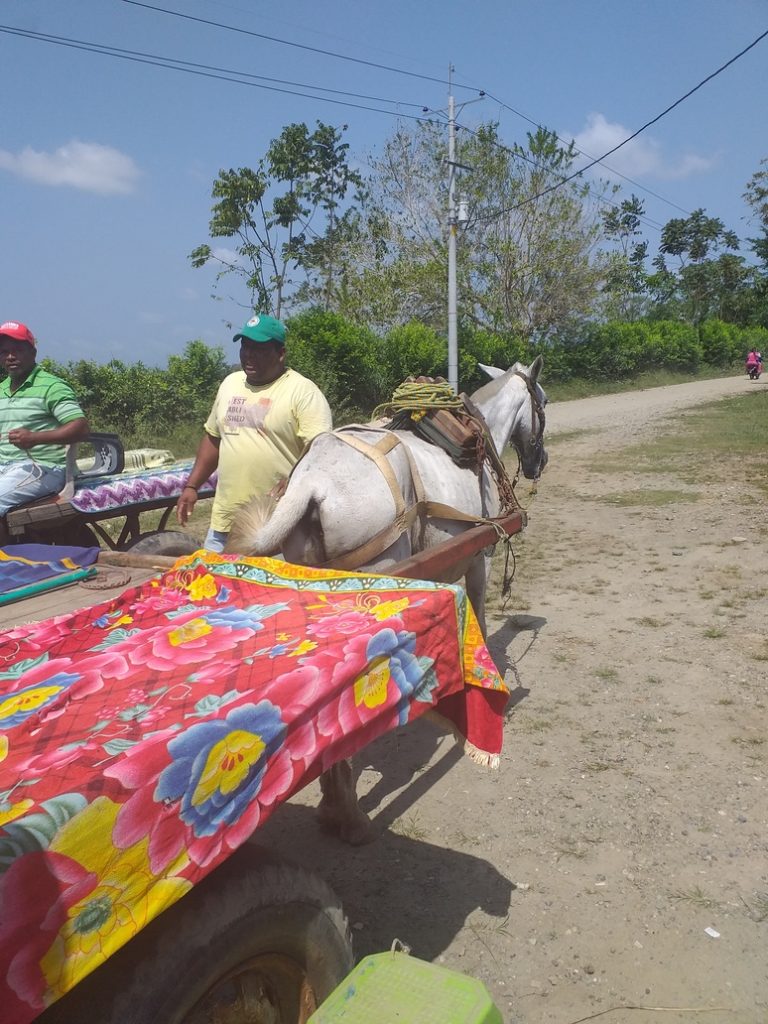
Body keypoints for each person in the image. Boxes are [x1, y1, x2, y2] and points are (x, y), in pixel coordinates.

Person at [177, 314, 332, 552]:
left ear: (280, 354)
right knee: (213, 586)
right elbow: (213, 438)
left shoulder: (303, 393)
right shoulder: (230, 384)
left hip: (277, 526)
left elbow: (323, 453)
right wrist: (192, 486)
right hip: (224, 525)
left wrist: (294, 480)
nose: (249, 355)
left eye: (258, 349)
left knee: (268, 589)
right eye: (245, 347)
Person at [0, 320, 90, 541]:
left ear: (33, 352)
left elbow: (80, 427)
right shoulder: (1, 390)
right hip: (6, 469)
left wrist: (34, 438)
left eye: (17, 350)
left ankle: (7, 565)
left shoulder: (52, 387)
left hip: (44, 469)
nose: (10, 357)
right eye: (4, 352)